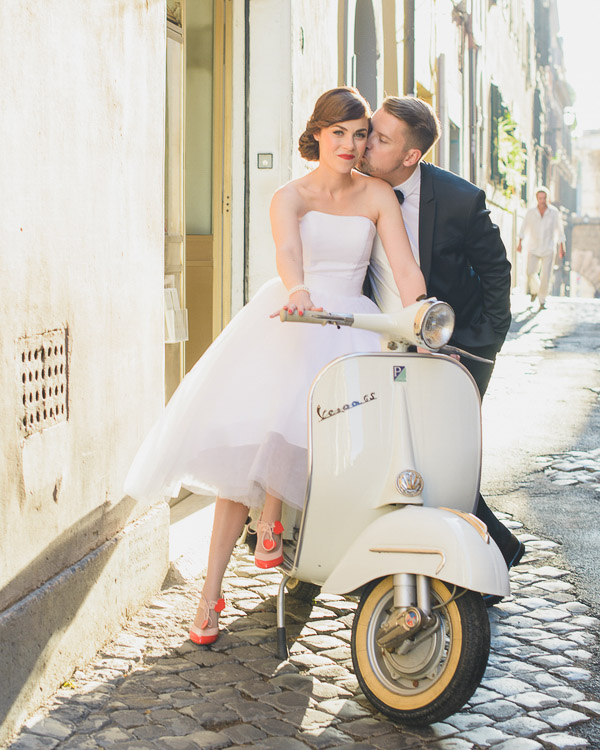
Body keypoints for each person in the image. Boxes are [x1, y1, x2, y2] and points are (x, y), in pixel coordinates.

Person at [124, 87, 426, 645]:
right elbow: (289, 254)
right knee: (247, 462)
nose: (350, 144)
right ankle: (210, 595)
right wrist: (300, 289)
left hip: (350, 327)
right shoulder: (290, 195)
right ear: (317, 134)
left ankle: (280, 527)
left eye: (360, 134)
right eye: (339, 133)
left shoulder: (377, 194)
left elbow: (405, 269)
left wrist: (421, 320)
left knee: (327, 444)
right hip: (295, 314)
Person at [358, 95, 523, 604]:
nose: (366, 144)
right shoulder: (354, 187)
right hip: (379, 344)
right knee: (403, 452)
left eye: (380, 138)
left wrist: (482, 344)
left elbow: (496, 273)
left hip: (458, 347)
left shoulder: (459, 200)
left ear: (411, 156)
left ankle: (483, 559)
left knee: (447, 455)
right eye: (370, 131)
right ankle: (477, 549)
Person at [517, 186, 566, 309]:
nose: (542, 200)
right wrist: (519, 243)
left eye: (544, 198)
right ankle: (535, 291)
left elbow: (559, 230)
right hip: (533, 247)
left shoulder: (554, 212)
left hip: (548, 248)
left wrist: (562, 247)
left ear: (547, 199)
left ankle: (542, 300)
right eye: (540, 198)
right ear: (537, 199)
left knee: (546, 275)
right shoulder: (530, 212)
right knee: (530, 272)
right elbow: (523, 228)